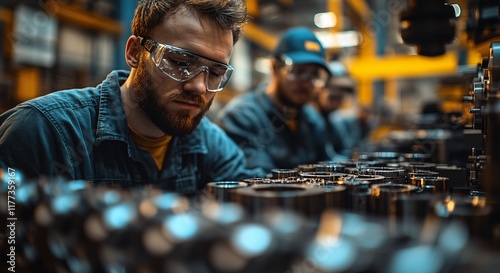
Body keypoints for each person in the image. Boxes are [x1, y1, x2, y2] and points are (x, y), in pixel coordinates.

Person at [0, 0, 264, 194]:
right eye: (181, 61)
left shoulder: (210, 144)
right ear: (135, 52)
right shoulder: (44, 133)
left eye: (216, 72)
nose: (199, 86)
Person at [216, 27, 331, 172]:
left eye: (314, 75)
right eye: (298, 71)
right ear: (275, 67)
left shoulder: (313, 119)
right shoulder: (241, 118)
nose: (307, 83)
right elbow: (258, 183)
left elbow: (326, 165)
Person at [312, 66, 374, 159]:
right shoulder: (311, 120)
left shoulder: (332, 121)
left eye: (339, 99)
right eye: (332, 98)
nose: (335, 104)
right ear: (319, 90)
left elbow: (343, 149)